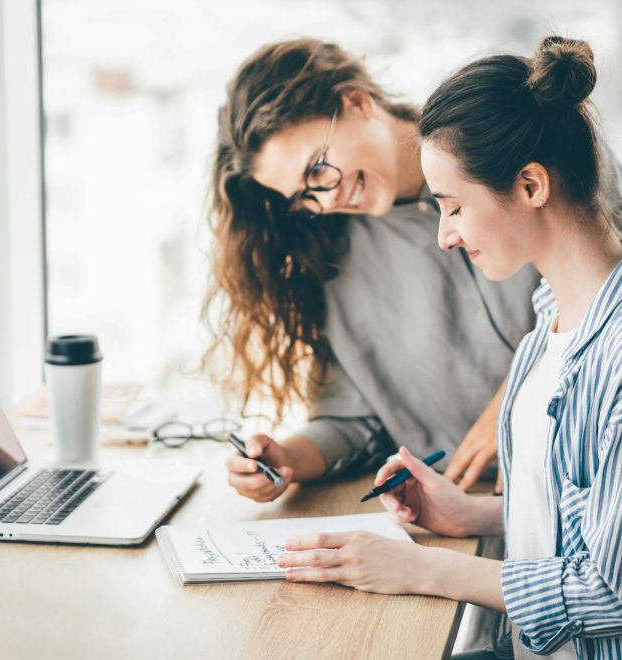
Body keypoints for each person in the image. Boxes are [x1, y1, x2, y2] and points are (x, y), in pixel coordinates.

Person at [277, 37, 622, 660]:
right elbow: (588, 519)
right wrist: (472, 516)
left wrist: (423, 571)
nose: (445, 236)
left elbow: (612, 588)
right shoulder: (552, 319)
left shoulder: (613, 353)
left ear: (530, 184)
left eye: (455, 207)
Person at [205, 38, 540, 503]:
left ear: (358, 102)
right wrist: (285, 459)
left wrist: (514, 402)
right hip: (464, 513)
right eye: (304, 198)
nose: (326, 201)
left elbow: (605, 291)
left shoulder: (509, 137)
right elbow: (355, 421)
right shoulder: (332, 258)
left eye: (317, 170)